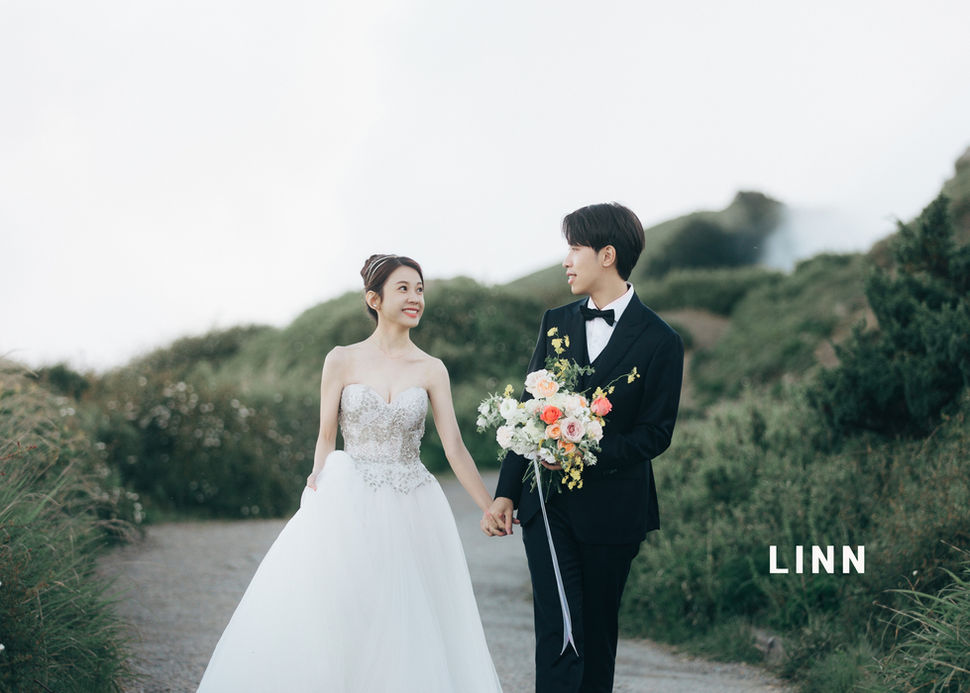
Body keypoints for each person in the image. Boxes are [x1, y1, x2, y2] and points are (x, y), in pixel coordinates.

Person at [198, 254, 504, 693]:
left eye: (420, 289)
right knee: (344, 610)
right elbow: (326, 436)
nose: (415, 297)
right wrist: (318, 483)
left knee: (408, 615)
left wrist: (488, 504)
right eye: (403, 288)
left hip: (412, 499)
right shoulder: (341, 359)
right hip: (351, 496)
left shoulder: (432, 368)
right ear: (373, 298)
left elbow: (454, 446)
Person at [484, 203, 684, 693]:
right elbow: (529, 412)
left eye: (575, 247)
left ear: (608, 255)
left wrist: (586, 451)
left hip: (615, 512)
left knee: (596, 634)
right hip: (548, 508)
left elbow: (656, 434)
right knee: (556, 631)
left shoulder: (662, 342)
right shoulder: (554, 322)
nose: (566, 260)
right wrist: (506, 493)